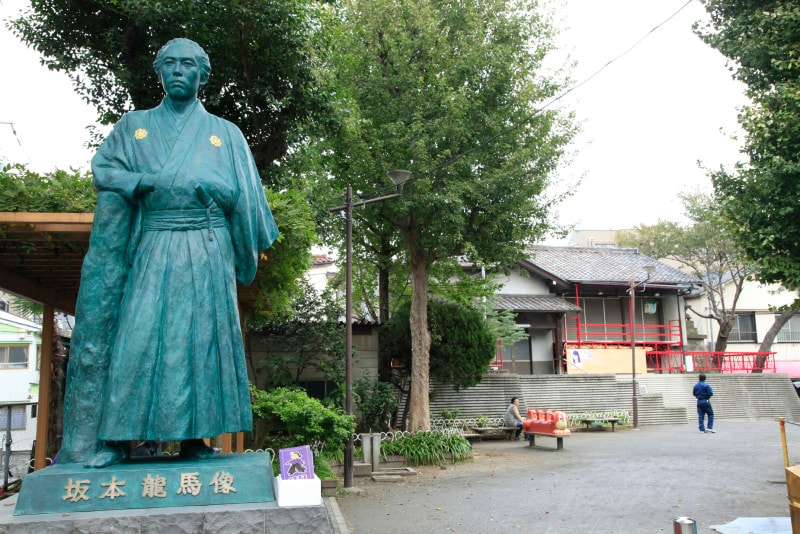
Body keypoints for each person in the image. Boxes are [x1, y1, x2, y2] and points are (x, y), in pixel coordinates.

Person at [59, 37, 279, 468]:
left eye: (189, 65)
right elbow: (105, 170)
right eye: (171, 64)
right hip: (155, 244)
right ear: (159, 72)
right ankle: (116, 439)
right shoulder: (133, 126)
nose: (179, 71)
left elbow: (249, 201)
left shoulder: (225, 134)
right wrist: (140, 182)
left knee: (202, 339)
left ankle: (198, 437)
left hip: (208, 246)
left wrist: (223, 191)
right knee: (137, 336)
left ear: (203, 75)